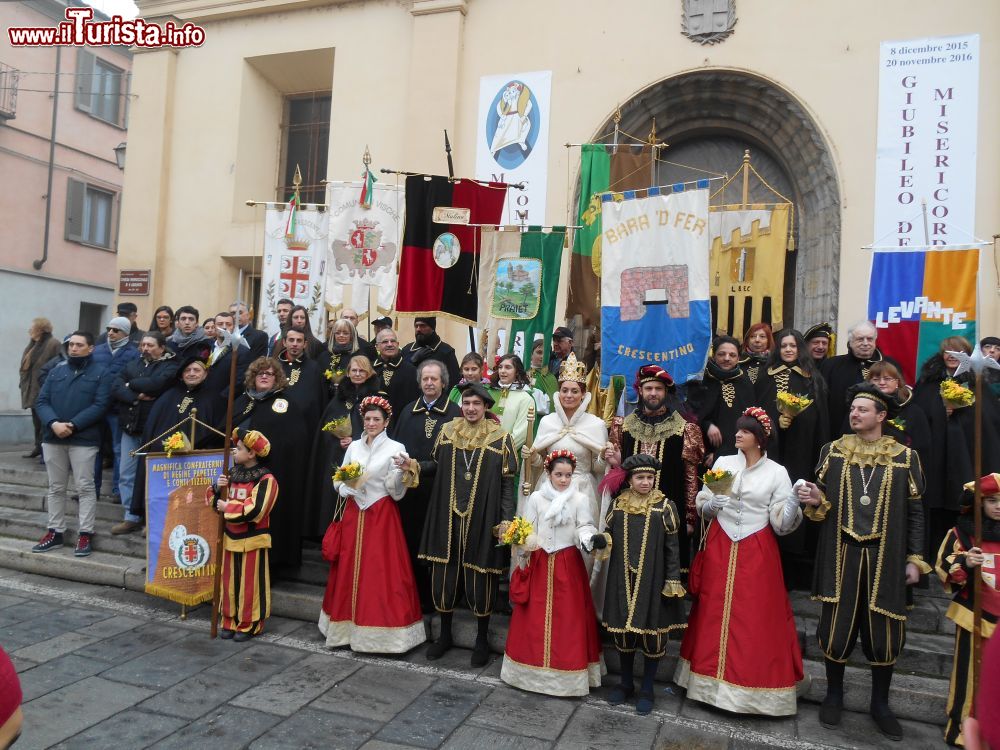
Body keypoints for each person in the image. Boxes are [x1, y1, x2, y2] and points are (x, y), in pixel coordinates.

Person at [796, 383, 930, 740]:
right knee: (836, 626)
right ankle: (834, 694)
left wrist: (915, 559)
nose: (855, 414)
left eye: (863, 410)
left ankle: (880, 703)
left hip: (885, 557)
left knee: (883, 632)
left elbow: (916, 513)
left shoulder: (904, 457)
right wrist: (813, 498)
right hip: (841, 554)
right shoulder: (833, 451)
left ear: (881, 416)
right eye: (853, 409)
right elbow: (821, 505)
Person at [675, 407, 804, 716]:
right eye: (738, 430)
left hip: (757, 548)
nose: (738, 434)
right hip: (721, 541)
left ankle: (749, 690)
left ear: (759, 439)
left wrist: (794, 502)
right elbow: (703, 502)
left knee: (754, 616)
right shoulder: (723, 462)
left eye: (744, 431)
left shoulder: (777, 472)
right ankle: (707, 686)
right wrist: (711, 504)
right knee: (712, 609)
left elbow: (782, 524)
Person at [415, 382, 517, 667]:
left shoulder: (501, 438)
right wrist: (415, 467)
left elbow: (508, 483)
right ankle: (444, 635)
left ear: (486, 407)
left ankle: (481, 639)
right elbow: (435, 465)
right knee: (444, 573)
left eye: (476, 404)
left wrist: (506, 518)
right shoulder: (447, 432)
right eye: (467, 404)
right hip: (447, 513)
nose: (471, 409)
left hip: (483, 516)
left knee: (480, 575)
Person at [319, 396, 425, 653]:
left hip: (381, 514)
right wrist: (344, 489)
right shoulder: (353, 446)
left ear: (387, 421)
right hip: (355, 512)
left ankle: (383, 635)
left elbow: (395, 490)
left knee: (381, 570)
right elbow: (339, 477)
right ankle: (345, 630)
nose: (371, 423)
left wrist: (401, 471)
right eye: (367, 419)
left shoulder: (396, 448)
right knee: (348, 568)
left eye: (377, 419)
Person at [501, 450, 603, 697]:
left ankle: (566, 675)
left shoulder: (579, 499)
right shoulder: (536, 498)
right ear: (548, 473)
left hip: (567, 562)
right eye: (559, 474)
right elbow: (528, 526)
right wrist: (523, 544)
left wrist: (589, 539)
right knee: (533, 617)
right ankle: (528, 672)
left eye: (568, 475)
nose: (564, 480)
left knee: (568, 618)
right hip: (540, 560)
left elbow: (584, 526)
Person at [591, 454, 686, 716]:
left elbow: (672, 548)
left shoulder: (664, 506)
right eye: (640, 477)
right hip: (623, 577)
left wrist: (672, 579)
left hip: (653, 579)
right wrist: (601, 541)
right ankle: (625, 683)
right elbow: (609, 535)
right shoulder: (619, 505)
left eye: (650, 477)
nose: (646, 482)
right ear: (630, 480)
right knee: (623, 632)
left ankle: (647, 688)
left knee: (652, 635)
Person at [605, 365, 704, 572]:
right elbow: (616, 475)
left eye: (658, 389)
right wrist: (617, 462)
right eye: (649, 388)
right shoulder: (623, 426)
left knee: (666, 570)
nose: (653, 393)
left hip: (669, 516)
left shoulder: (685, 429)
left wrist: (689, 517)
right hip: (631, 514)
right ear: (640, 391)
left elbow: (690, 477)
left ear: (665, 392)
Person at [31, 331, 113, 557]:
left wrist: (74, 425)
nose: (73, 348)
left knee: (85, 488)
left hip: (84, 440)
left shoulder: (101, 373)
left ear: (90, 348)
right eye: (71, 345)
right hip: (53, 437)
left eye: (79, 345)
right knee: (55, 487)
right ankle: (55, 531)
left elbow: (100, 405)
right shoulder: (57, 371)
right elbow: (42, 401)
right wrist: (54, 422)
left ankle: (85, 533)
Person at [389, 360, 461, 611]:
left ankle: (436, 600)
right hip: (411, 494)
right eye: (425, 379)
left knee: (437, 545)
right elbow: (395, 447)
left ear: (444, 382)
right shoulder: (409, 410)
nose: (429, 383)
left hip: (440, 492)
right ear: (419, 382)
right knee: (409, 543)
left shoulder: (455, 413)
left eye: (434, 379)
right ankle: (411, 596)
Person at [936, 473, 1000, 746]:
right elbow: (944, 567)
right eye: (992, 500)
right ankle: (961, 728)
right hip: (974, 615)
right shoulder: (962, 533)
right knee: (968, 677)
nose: (998, 506)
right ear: (980, 503)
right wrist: (966, 562)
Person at [232, 357, 312, 570]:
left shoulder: (286, 403)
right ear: (253, 377)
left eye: (270, 373)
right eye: (260, 373)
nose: (265, 376)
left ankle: (273, 564)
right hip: (240, 474)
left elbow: (296, 439)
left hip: (274, 472)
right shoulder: (243, 401)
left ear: (277, 379)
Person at [127, 357, 224, 526]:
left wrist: (194, 445)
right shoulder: (169, 395)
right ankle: (152, 523)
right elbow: (154, 427)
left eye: (196, 370)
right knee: (160, 493)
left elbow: (214, 431)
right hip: (164, 459)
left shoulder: (214, 399)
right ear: (181, 375)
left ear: (205, 374)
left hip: (194, 460)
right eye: (188, 370)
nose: (191, 374)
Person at [208, 428, 279, 641]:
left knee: (250, 585)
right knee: (229, 583)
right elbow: (213, 500)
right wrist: (217, 488)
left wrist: (227, 506)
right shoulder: (231, 475)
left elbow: (256, 509)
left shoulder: (266, 479)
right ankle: (229, 620)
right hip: (230, 538)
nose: (233, 452)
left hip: (253, 541)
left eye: (238, 449)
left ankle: (249, 624)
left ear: (251, 454)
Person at [526, 352, 607, 528]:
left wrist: (604, 456)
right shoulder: (548, 422)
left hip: (583, 491)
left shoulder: (596, 425)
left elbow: (598, 468)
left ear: (583, 394)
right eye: (564, 390)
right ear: (558, 392)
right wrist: (532, 456)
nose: (568, 395)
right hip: (549, 489)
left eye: (574, 391)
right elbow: (540, 464)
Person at [304, 355, 380, 539]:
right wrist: (336, 440)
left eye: (362, 370)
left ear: (369, 373)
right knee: (336, 496)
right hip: (337, 456)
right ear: (348, 372)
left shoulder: (375, 399)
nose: (357, 373)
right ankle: (332, 533)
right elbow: (325, 429)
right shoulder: (338, 398)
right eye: (354, 370)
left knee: (356, 495)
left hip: (363, 457)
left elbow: (379, 428)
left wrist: (354, 440)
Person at [111, 332, 179, 535]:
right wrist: (134, 397)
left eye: (150, 345)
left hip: (155, 430)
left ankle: (152, 519)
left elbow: (157, 385)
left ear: (162, 347)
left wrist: (130, 384)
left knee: (154, 475)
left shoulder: (171, 365)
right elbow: (114, 385)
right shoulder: (134, 363)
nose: (145, 349)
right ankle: (131, 516)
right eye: (143, 345)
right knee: (126, 474)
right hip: (130, 426)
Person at [820, 320, 900, 439]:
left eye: (870, 339)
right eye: (860, 339)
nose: (865, 343)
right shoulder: (831, 366)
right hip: (838, 433)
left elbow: (898, 397)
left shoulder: (890, 365)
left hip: (880, 436)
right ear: (850, 342)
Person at [91, 316, 140, 499]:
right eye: (109, 329)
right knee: (94, 450)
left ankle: (119, 491)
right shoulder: (97, 351)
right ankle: (91, 490)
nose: (110, 332)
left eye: (115, 330)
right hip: (97, 408)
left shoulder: (133, 353)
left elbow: (132, 378)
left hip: (119, 409)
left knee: (119, 450)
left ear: (125, 333)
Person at [687, 335, 756, 463]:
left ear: (738, 358)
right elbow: (692, 415)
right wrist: (707, 425)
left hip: (735, 453)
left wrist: (720, 455)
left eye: (732, 355)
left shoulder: (745, 384)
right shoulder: (702, 380)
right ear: (714, 356)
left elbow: (747, 423)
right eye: (721, 354)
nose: (727, 358)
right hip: (703, 454)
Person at [20, 317, 62, 459]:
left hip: (43, 389)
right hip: (32, 389)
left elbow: (58, 365)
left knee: (44, 421)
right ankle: (38, 447)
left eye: (32, 328)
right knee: (36, 422)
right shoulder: (33, 344)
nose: (30, 331)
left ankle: (45, 450)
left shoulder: (53, 344)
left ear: (40, 329)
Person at [276, 327, 328, 436]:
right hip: (277, 424)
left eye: (299, 341)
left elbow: (320, 402)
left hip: (304, 429)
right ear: (284, 342)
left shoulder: (314, 368)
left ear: (305, 344)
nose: (295, 344)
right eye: (291, 340)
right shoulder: (274, 366)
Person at [487, 353, 541, 455]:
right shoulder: (490, 392)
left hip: (507, 454)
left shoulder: (525, 398)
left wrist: (499, 452)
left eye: (508, 367)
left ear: (517, 372)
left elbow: (521, 433)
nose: (502, 371)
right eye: (500, 367)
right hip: (484, 452)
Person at [400, 316, 461, 390]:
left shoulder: (446, 352)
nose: (418, 329)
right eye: (416, 326)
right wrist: (412, 361)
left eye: (423, 326)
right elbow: (400, 378)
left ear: (432, 328)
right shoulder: (406, 350)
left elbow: (453, 383)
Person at [204, 311, 252, 402]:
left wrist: (222, 397)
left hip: (224, 401)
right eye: (220, 324)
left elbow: (240, 380)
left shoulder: (241, 351)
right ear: (214, 327)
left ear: (233, 327)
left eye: (228, 324)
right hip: (202, 397)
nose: (224, 327)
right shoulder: (205, 347)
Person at [373, 328, 420, 418]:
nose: (389, 344)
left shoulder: (411, 371)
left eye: (393, 341)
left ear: (398, 345)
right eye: (385, 342)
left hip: (402, 422)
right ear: (377, 346)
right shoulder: (369, 369)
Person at [325, 318, 362, 393]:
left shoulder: (359, 356)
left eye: (345, 333)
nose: (341, 335)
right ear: (333, 335)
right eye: (338, 333)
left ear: (351, 335)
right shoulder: (324, 356)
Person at [527, 338, 558, 411]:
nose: (542, 356)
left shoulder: (551, 378)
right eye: (539, 352)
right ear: (531, 354)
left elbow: (552, 405)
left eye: (546, 353)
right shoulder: (521, 373)